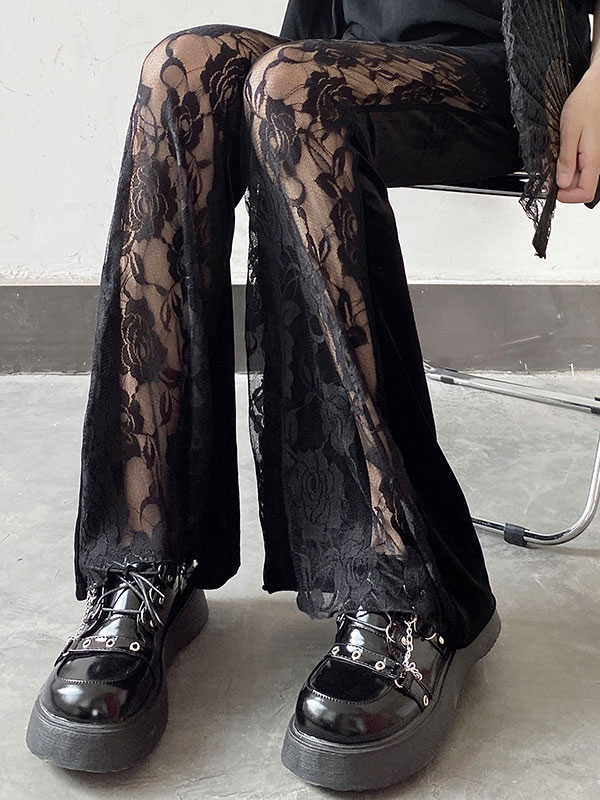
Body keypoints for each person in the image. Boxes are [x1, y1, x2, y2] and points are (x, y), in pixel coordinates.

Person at [25, 0, 600, 790]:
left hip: (505, 74)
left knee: (294, 88)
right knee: (180, 70)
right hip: (333, 55)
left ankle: (410, 588)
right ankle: (149, 554)